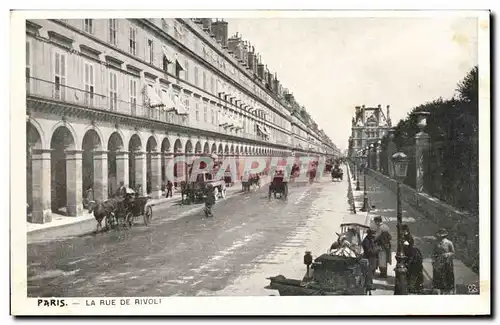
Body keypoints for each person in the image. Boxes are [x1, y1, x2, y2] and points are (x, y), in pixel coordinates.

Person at [432, 228, 455, 294]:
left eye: (442, 236)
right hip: (438, 261)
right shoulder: (436, 243)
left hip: (446, 261)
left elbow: (453, 252)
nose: (440, 238)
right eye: (439, 236)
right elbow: (433, 252)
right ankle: (439, 288)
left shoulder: (449, 243)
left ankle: (448, 289)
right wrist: (433, 260)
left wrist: (447, 254)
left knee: (447, 274)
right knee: (438, 275)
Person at [362, 229, 378, 293]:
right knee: (368, 272)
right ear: (369, 235)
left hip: (373, 259)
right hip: (369, 258)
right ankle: (368, 286)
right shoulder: (366, 241)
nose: (373, 237)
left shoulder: (371, 240)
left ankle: (369, 285)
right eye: (372, 235)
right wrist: (376, 250)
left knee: (371, 272)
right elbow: (368, 251)